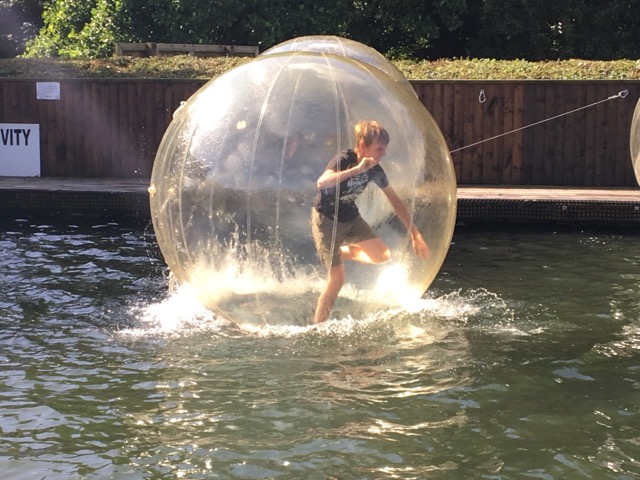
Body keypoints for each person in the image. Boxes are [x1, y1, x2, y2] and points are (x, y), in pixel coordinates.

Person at [311, 120, 431, 324]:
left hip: (350, 216)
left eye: (384, 149)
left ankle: (337, 254)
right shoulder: (344, 159)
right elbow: (322, 183)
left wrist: (415, 234)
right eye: (379, 149)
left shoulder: (376, 170)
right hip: (327, 220)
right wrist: (357, 170)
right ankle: (317, 328)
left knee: (382, 255)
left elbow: (395, 201)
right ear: (362, 146)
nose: (382, 154)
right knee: (338, 280)